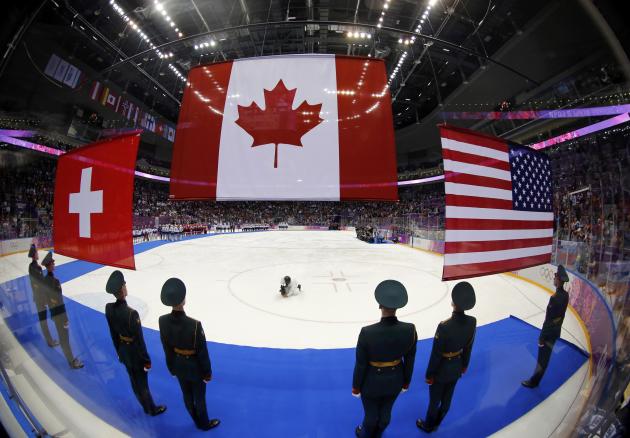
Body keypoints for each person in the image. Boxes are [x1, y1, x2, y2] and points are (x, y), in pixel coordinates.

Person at [352, 280, 417, 438]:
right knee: (386, 411)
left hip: (371, 381)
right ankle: (379, 433)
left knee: (370, 415)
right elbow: (410, 359)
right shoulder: (410, 329)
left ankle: (366, 435)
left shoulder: (367, 332)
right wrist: (406, 382)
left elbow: (361, 364)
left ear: (380, 305)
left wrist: (356, 387)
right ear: (398, 307)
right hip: (396, 379)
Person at [159, 278, 220, 431]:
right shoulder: (194, 325)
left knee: (186, 395)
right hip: (194, 367)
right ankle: (204, 424)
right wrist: (207, 373)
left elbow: (166, 347)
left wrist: (171, 367)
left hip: (178, 365)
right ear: (183, 300)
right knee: (199, 397)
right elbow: (202, 352)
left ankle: (195, 419)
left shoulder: (163, 321)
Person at [417, 281, 476, 433]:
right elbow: (468, 347)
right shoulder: (472, 322)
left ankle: (428, 425)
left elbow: (436, 354)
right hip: (456, 367)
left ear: (453, 303)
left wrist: (430, 374)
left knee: (434, 400)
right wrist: (464, 366)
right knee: (447, 399)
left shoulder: (445, 326)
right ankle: (438, 422)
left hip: (442, 370)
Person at [105, 270, 166, 416]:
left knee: (133, 380)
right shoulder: (132, 314)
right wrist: (146, 360)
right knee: (142, 383)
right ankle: (151, 408)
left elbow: (113, 334)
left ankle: (144, 406)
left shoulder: (109, 308)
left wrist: (119, 352)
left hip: (124, 352)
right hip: (135, 353)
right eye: (124, 285)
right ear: (122, 290)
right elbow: (139, 341)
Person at [522, 265, 570, 388]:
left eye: (555, 276)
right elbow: (560, 317)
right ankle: (536, 379)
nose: (554, 278)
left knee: (542, 359)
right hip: (556, 332)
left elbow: (548, 320)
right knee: (545, 357)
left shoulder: (554, 298)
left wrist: (542, 337)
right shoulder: (565, 296)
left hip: (548, 333)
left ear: (558, 279)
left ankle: (534, 381)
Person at [40, 251, 84, 369]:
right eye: (52, 264)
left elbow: (48, 300)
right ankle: (71, 361)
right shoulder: (55, 282)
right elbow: (59, 301)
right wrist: (65, 318)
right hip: (60, 315)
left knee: (62, 337)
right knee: (65, 339)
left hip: (54, 314)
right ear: (49, 266)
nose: (54, 265)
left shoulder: (45, 281)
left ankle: (70, 359)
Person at [27, 244, 58, 347]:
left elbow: (33, 284)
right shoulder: (37, 268)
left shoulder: (30, 266)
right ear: (34, 255)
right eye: (36, 253)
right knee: (44, 320)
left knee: (42, 319)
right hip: (41, 298)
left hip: (37, 296)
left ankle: (49, 340)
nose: (37, 254)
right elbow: (40, 285)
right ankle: (50, 341)